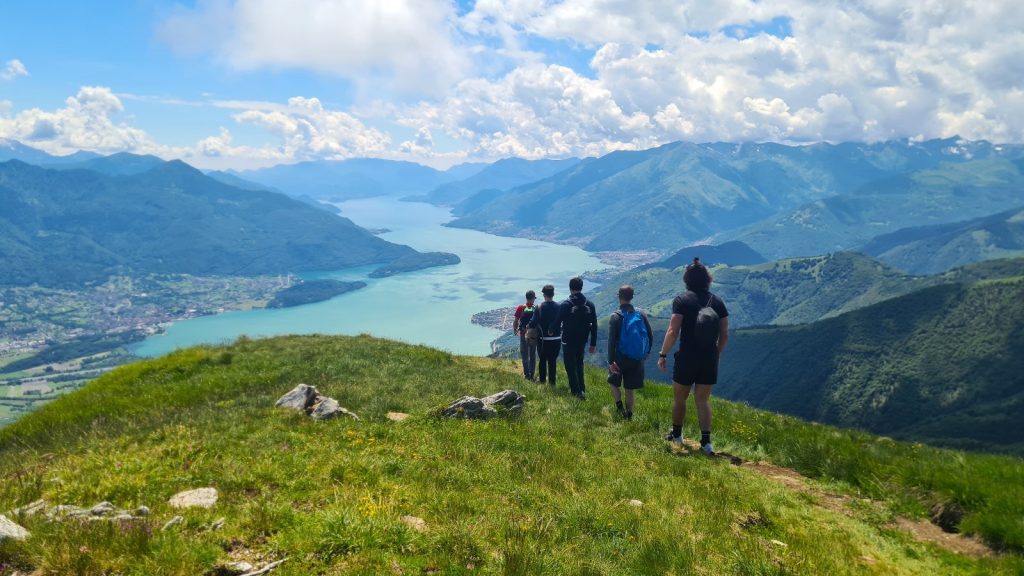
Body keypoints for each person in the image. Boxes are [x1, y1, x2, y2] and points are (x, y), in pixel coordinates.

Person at [657, 258, 729, 455]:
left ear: (686, 279)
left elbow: (673, 330)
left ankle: (677, 436)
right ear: (708, 279)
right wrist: (717, 354)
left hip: (687, 357)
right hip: (709, 359)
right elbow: (725, 334)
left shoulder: (681, 300)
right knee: (703, 401)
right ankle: (706, 443)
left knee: (680, 398)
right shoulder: (718, 302)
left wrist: (663, 353)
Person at [607, 285, 653, 420]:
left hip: (619, 358)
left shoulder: (615, 317)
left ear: (619, 297)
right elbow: (649, 336)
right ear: (632, 297)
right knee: (630, 388)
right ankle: (629, 415)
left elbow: (611, 342)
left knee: (613, 382)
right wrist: (646, 353)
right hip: (637, 358)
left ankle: (619, 407)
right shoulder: (641, 314)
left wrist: (611, 361)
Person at [557, 277, 597, 399]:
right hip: (583, 339)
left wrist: (551, 330)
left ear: (570, 288)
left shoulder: (566, 304)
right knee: (579, 363)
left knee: (570, 365)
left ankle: (576, 392)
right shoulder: (589, 304)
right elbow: (594, 324)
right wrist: (593, 343)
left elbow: (557, 321)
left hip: (568, 339)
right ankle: (582, 388)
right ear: (581, 287)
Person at [529, 284, 562, 386]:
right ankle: (552, 383)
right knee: (552, 361)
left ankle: (542, 382)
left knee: (542, 360)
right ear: (553, 294)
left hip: (543, 340)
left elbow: (532, 323)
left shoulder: (539, 307)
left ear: (544, 295)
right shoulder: (559, 307)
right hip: (556, 339)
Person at [512, 290, 538, 380]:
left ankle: (526, 375)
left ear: (526, 298)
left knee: (524, 355)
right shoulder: (536, 308)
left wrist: (515, 330)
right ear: (533, 298)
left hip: (523, 334)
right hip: (533, 335)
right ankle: (532, 374)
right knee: (532, 355)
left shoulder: (520, 307)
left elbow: (516, 321)